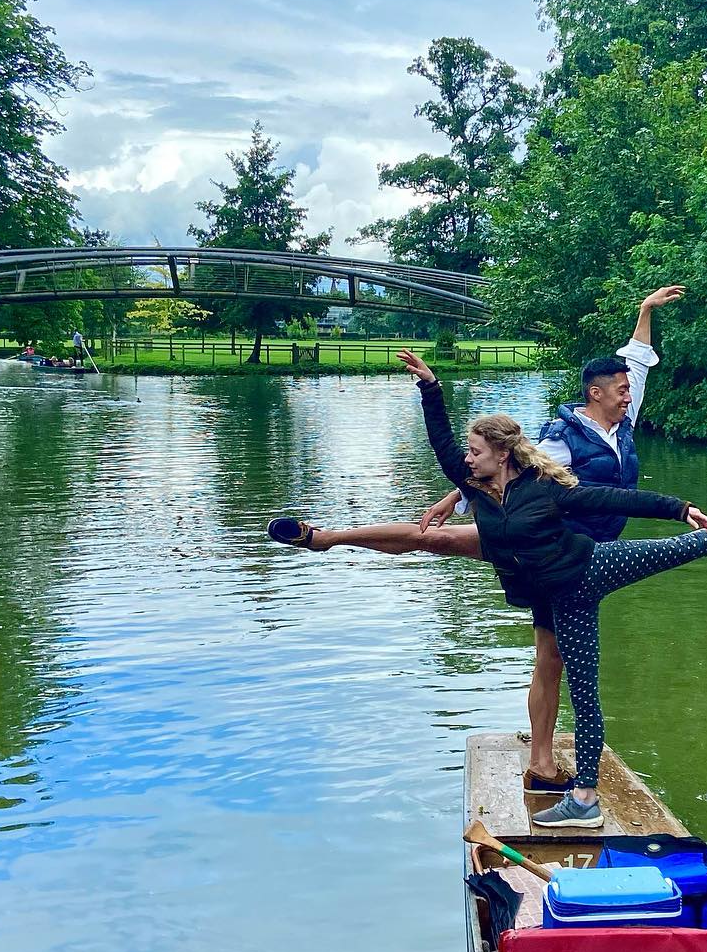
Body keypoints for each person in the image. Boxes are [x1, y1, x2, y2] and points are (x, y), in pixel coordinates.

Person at [267, 347, 707, 828]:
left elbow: (614, 500)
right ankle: (584, 796)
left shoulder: (547, 489)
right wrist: (431, 388)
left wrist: (679, 507)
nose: (466, 459)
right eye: (468, 454)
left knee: (681, 555)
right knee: (576, 685)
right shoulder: (477, 488)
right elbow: (441, 441)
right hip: (558, 596)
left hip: (590, 572)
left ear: (502, 455)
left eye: (476, 452)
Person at [278, 285, 684, 794]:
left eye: (629, 388)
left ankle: (330, 537)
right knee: (523, 629)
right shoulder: (561, 439)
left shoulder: (622, 424)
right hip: (546, 547)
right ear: (594, 393)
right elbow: (508, 465)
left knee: (531, 635)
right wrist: (461, 492)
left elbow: (636, 365)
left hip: (582, 557)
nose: (628, 392)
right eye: (619, 388)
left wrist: (645, 311)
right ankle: (328, 537)